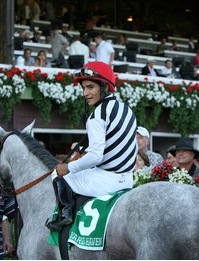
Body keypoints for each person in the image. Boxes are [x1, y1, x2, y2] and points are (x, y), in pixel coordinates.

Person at [46, 61, 137, 231]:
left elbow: (96, 156)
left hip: (105, 181)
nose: (85, 93)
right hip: (128, 179)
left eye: (90, 87)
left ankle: (64, 215)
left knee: (56, 174)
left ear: (106, 87)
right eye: (83, 88)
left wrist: (68, 167)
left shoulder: (97, 115)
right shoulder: (127, 109)